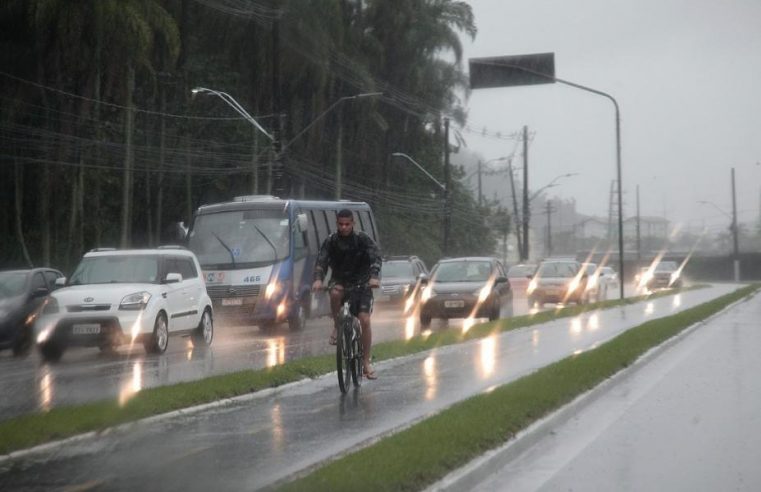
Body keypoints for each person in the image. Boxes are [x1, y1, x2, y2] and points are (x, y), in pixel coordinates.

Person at [312, 209, 382, 379]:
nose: (344, 228)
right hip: (340, 281)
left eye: (347, 224)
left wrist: (373, 277)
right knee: (335, 294)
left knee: (364, 320)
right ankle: (337, 325)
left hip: (362, 283)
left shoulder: (362, 239)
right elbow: (321, 261)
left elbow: (375, 257)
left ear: (353, 224)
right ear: (337, 224)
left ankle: (366, 361)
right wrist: (318, 279)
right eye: (340, 224)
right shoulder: (331, 241)